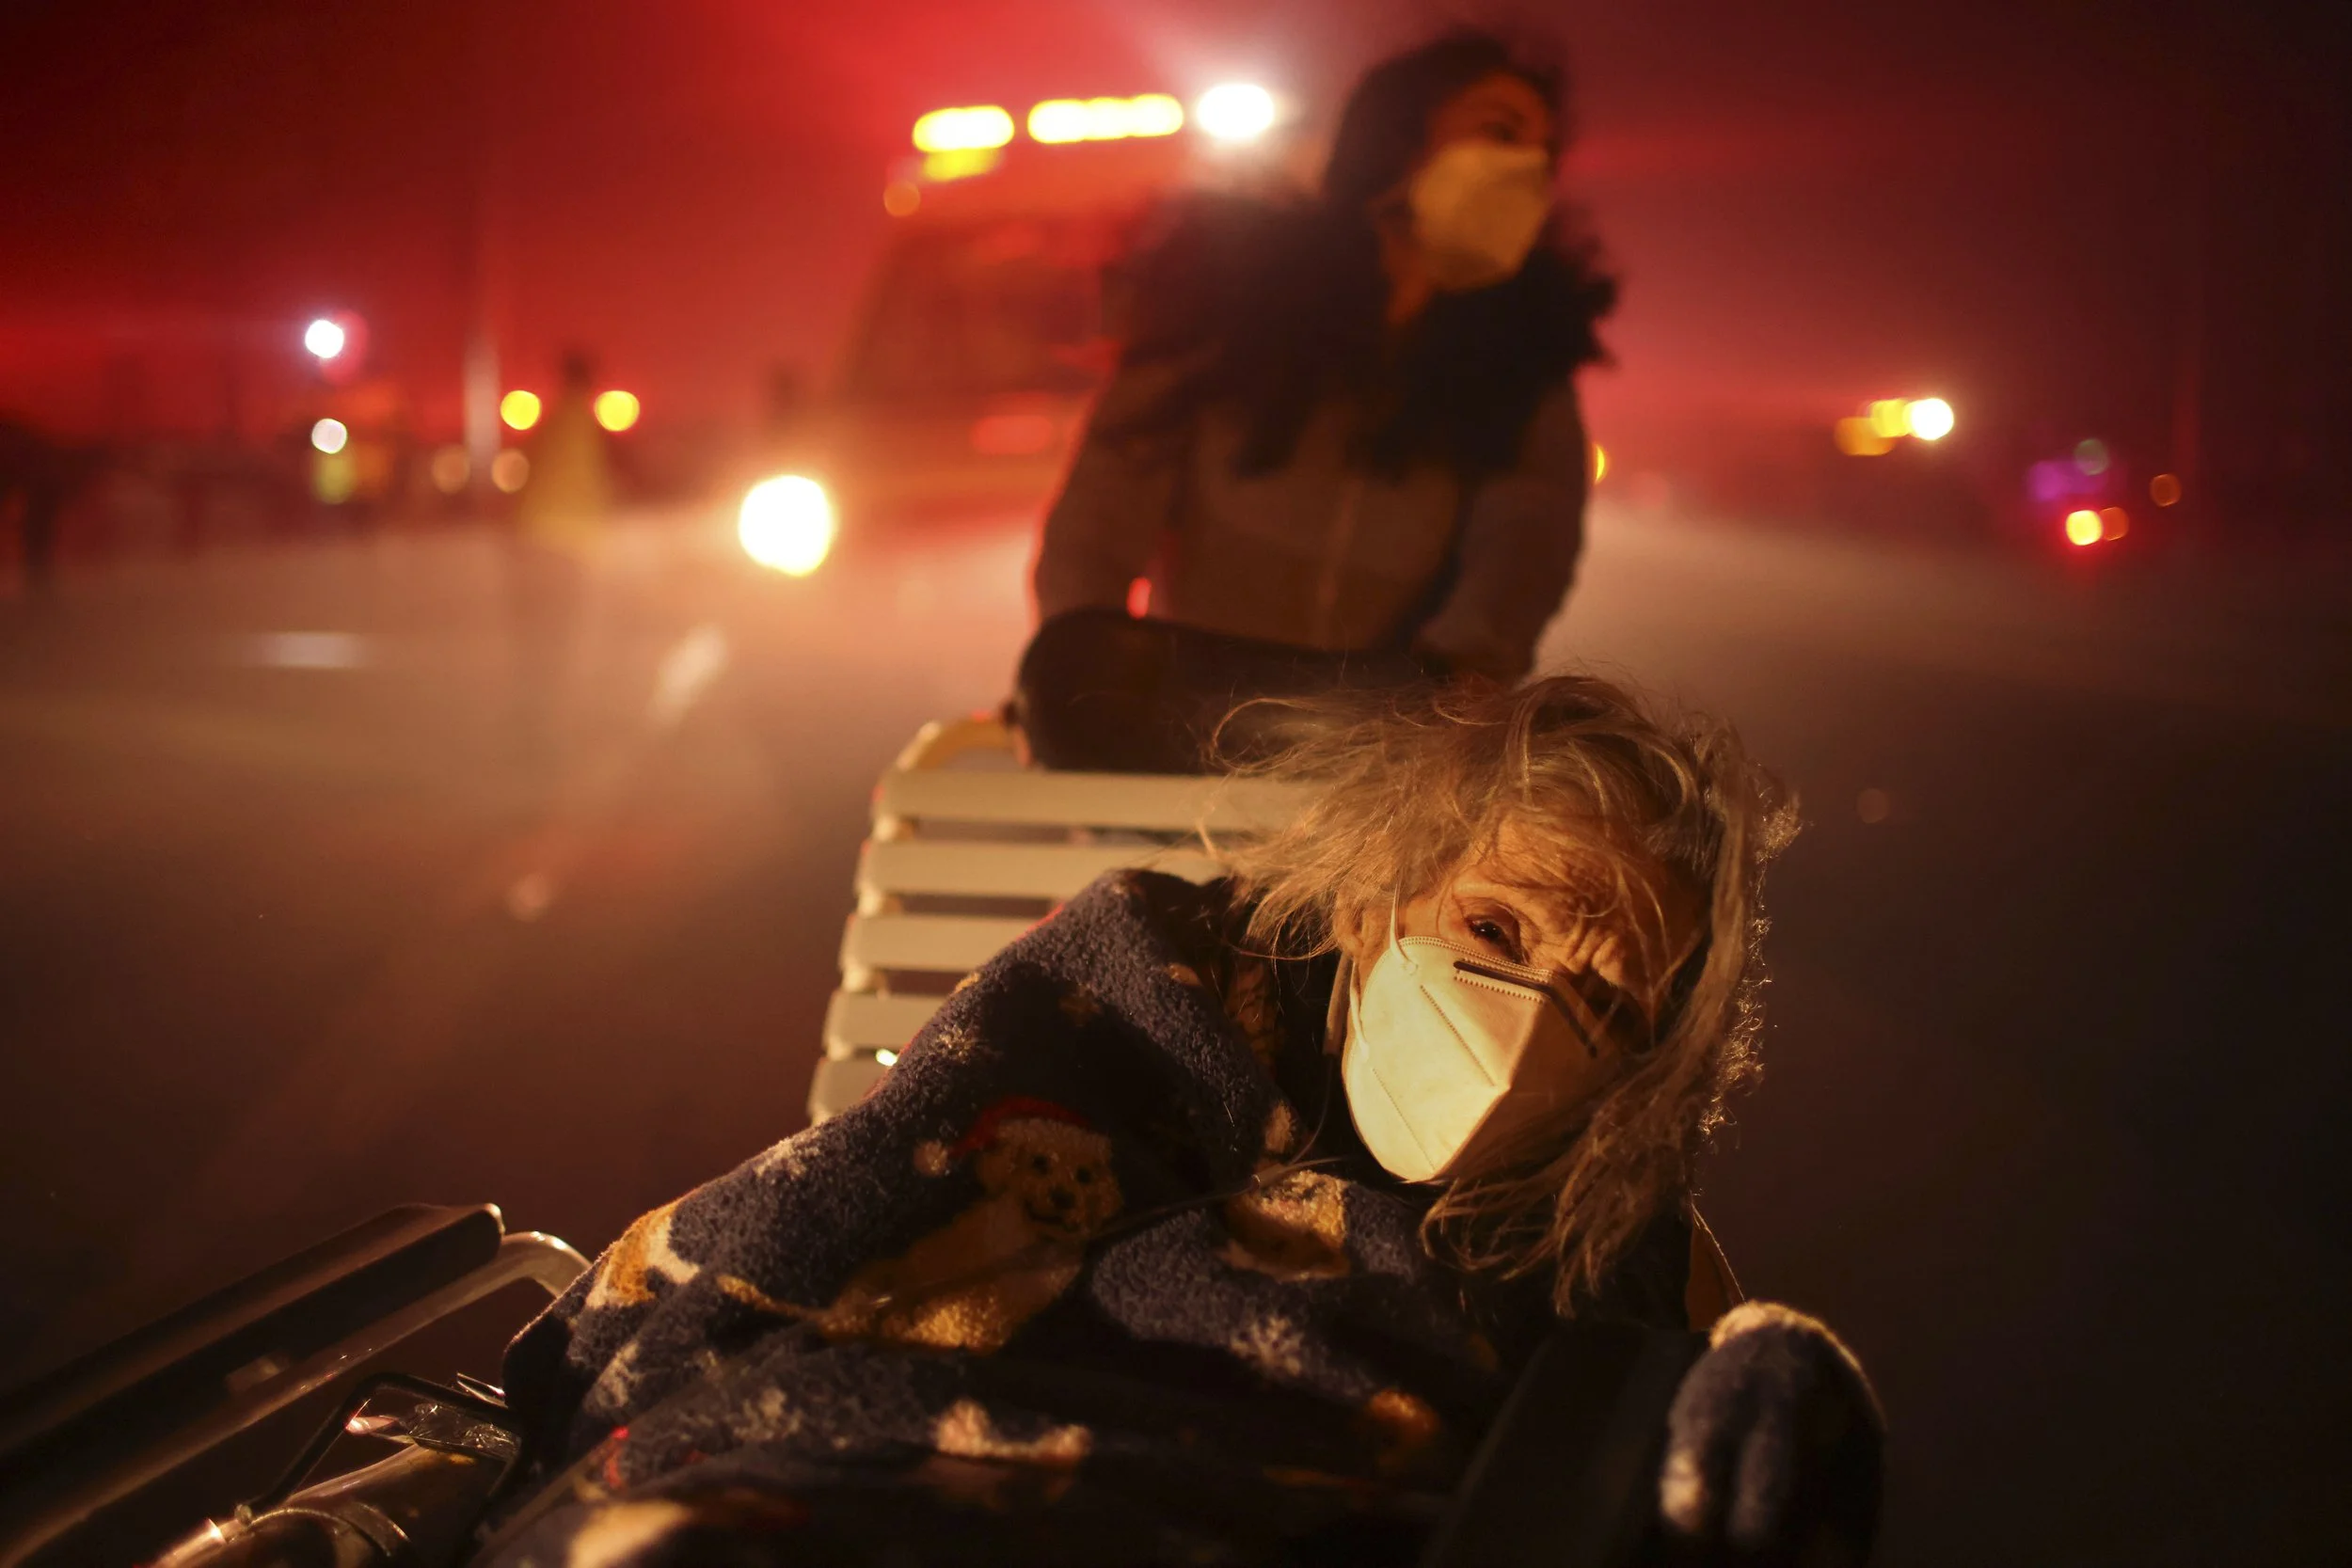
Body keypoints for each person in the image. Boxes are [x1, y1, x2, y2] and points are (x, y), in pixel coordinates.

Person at [480, 675, 1881, 1566]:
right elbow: (857, 1193)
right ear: (1377, 892)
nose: (1530, 1020)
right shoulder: (1156, 988)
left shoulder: (1609, 1210)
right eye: (1498, 923)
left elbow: (1694, 1365)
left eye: (1610, 1006)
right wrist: (625, 1366)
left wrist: (1756, 1385)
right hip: (912, 1472)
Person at [1031, 29, 1616, 688]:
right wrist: (1081, 662)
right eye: (1501, 132)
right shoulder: (1226, 300)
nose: (1524, 170)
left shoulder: (1526, 364)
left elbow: (1525, 540)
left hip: (1388, 739)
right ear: (1396, 137)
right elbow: (1106, 504)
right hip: (1187, 715)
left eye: (1543, 155)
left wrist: (1458, 681)